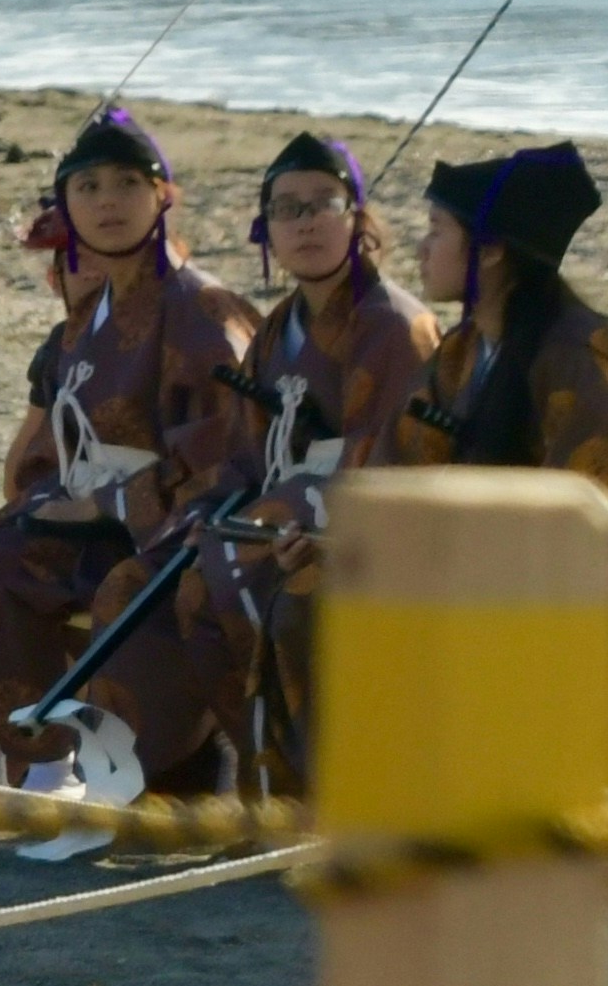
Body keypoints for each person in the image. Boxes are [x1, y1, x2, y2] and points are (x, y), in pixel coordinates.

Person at [0, 106, 257, 819]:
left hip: (176, 534)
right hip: (97, 519)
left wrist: (111, 499)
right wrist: (42, 502)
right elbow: (54, 452)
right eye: (86, 188)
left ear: (162, 198)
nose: (107, 202)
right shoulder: (93, 314)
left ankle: (75, 770)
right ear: (66, 207)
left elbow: (230, 460)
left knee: (32, 571)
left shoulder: (201, 308)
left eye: (125, 184)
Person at [38, 131, 439, 794]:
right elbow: (247, 456)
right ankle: (176, 781)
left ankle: (306, 786)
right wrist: (199, 512)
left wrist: (309, 527)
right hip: (277, 516)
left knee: (221, 580)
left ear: (358, 220)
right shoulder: (280, 329)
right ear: (266, 234)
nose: (305, 222)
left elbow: (396, 463)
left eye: (323, 204)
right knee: (139, 582)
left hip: (363, 529)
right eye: (285, 210)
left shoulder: (391, 325)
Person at [390, 143, 608, 791]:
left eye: (435, 232)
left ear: (489, 250)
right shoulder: (464, 350)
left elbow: (595, 502)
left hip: (586, 595)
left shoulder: (579, 354)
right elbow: (403, 459)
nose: (420, 250)